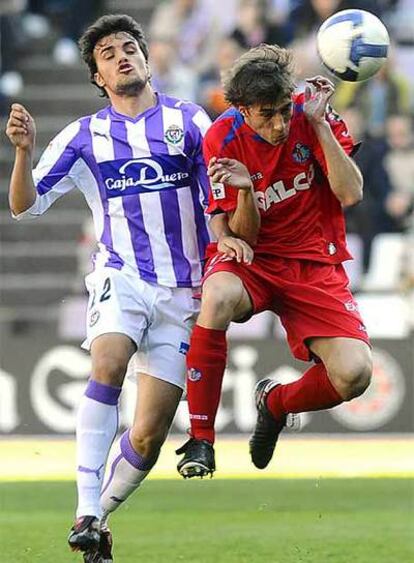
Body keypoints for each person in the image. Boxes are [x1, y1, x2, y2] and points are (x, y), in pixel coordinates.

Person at [6, 13, 216, 562]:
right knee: (108, 364)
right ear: (98, 76)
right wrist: (24, 154)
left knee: (147, 437)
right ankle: (86, 509)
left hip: (184, 292)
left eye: (129, 48)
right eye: (108, 54)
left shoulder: (191, 121)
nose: (122, 57)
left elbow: (217, 200)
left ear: (146, 58)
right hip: (120, 275)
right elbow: (26, 207)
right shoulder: (83, 135)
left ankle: (97, 522)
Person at [176, 44, 373, 479]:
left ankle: (275, 403)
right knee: (219, 294)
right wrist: (246, 192)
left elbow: (351, 193)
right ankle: (201, 439)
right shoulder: (221, 137)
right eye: (267, 114)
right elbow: (240, 236)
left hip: (313, 262)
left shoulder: (311, 113)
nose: (281, 124)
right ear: (242, 109)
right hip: (254, 258)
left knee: (355, 375)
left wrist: (319, 125)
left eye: (285, 109)